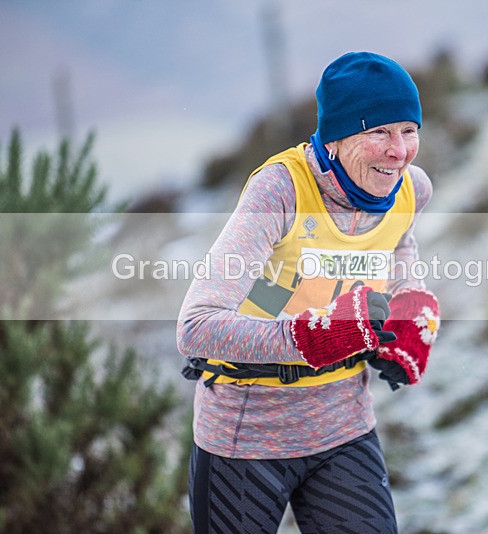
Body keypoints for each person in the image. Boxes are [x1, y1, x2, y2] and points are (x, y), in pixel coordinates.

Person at [177, 51, 441, 534]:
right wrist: (314, 337)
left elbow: (399, 243)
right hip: (247, 433)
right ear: (336, 138)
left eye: (409, 130)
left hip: (344, 425)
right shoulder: (281, 191)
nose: (399, 151)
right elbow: (196, 327)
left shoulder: (410, 189)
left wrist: (410, 303)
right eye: (379, 132)